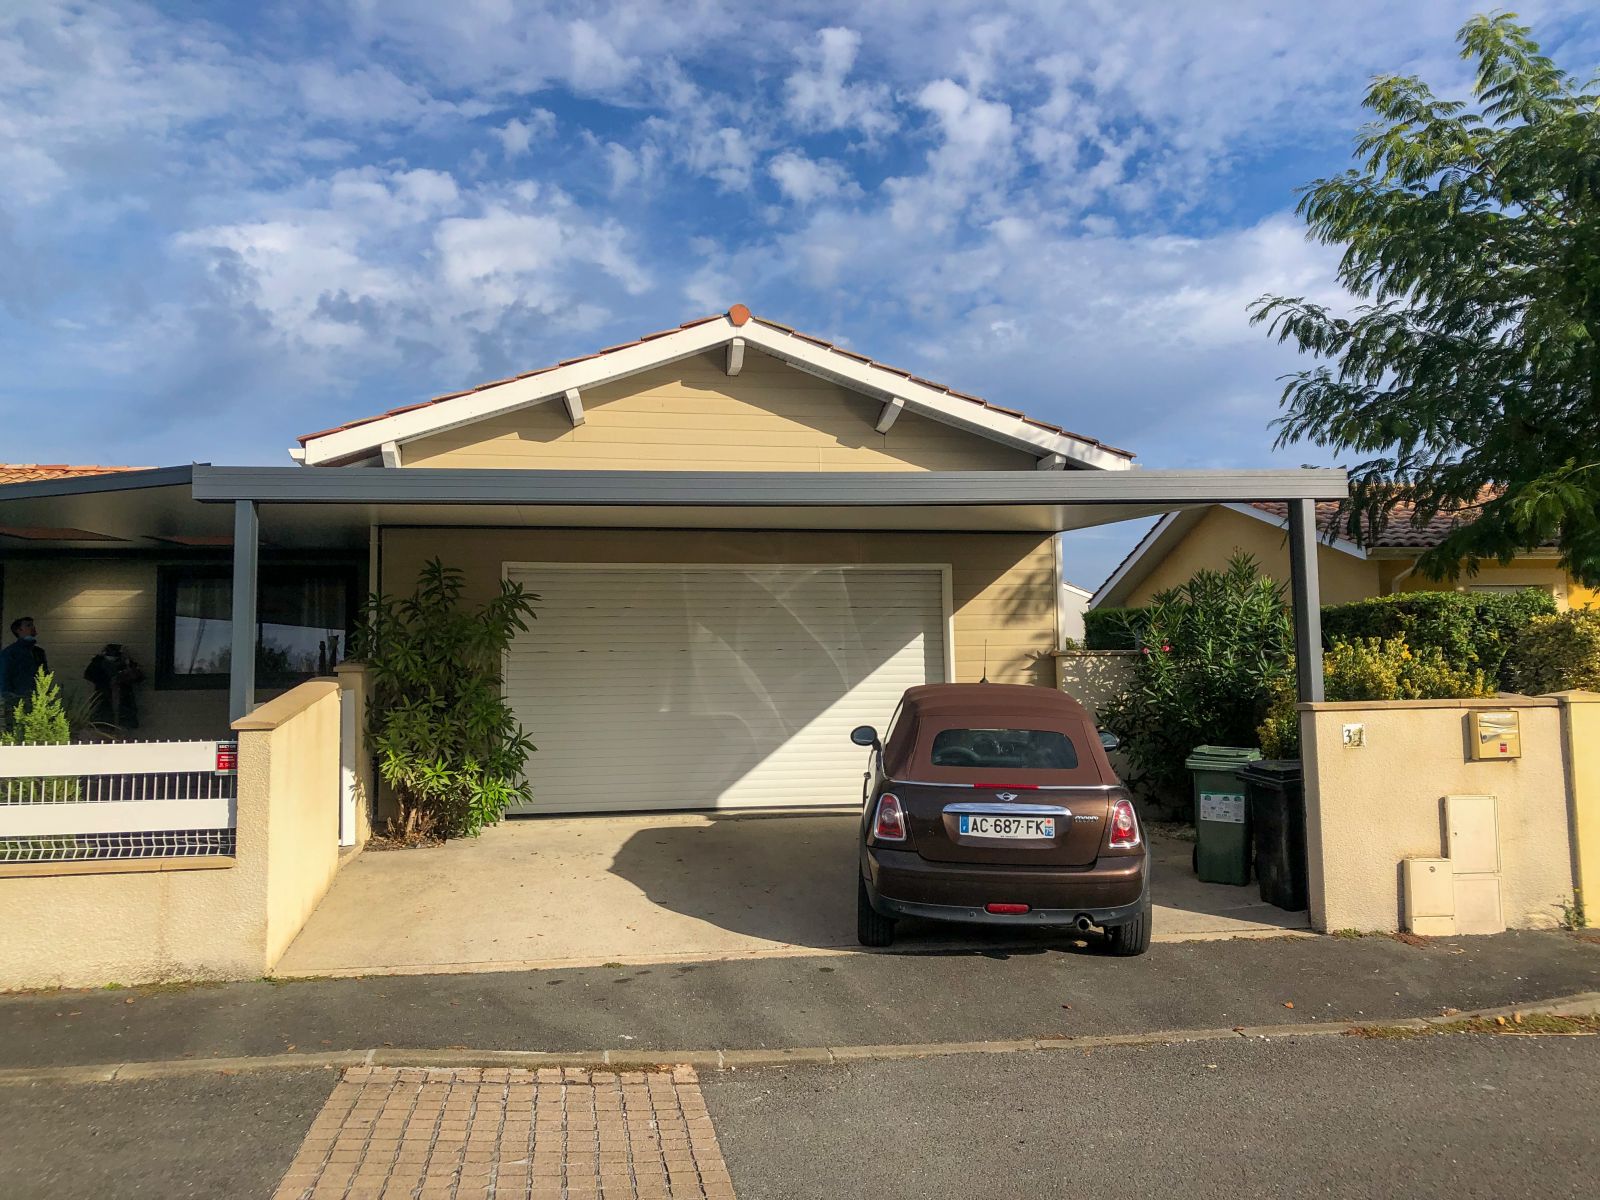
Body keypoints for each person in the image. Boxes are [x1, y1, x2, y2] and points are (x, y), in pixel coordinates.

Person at [84, 643, 144, 730]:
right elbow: (89, 675)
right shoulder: (98, 663)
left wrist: (126, 671)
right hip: (105, 696)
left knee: (124, 723)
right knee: (103, 722)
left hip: (122, 697)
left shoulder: (126, 663)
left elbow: (138, 678)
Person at [0, 617, 49, 719]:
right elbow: (4, 676)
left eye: (32, 625)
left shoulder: (38, 652)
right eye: (28, 625)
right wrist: (10, 697)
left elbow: (45, 673)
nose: (32, 628)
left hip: (38, 698)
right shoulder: (10, 652)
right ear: (19, 630)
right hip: (18, 697)